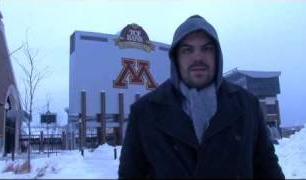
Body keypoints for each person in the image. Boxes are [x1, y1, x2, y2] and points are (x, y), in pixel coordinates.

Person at [118, 15, 285, 179]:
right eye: (187, 50)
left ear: (217, 55)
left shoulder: (248, 106)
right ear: (175, 58)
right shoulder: (144, 112)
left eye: (206, 49)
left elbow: (268, 170)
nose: (198, 57)